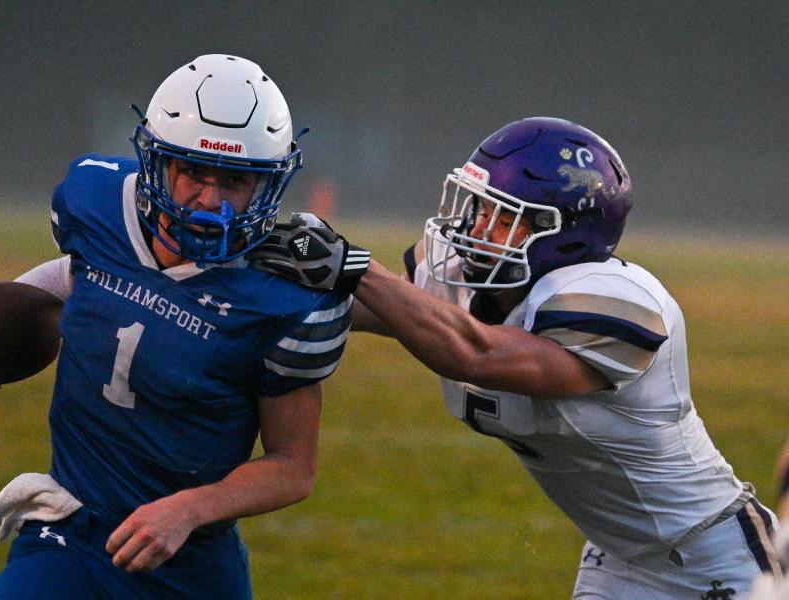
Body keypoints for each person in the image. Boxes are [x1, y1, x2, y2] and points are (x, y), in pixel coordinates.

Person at [248, 117, 781, 598]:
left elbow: (475, 353)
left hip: (718, 558)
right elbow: (384, 309)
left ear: (563, 237)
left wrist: (353, 266)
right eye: (480, 210)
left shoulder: (613, 303)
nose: (477, 231)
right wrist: (267, 274)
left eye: (503, 220)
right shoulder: (464, 277)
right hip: (617, 558)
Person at [0, 54, 354, 599]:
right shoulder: (97, 204)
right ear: (157, 163)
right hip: (72, 534)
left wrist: (189, 509)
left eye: (236, 181)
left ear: (269, 184)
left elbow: (294, 466)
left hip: (192, 561)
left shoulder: (283, 297)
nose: (211, 200)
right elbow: (78, 274)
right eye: (193, 172)